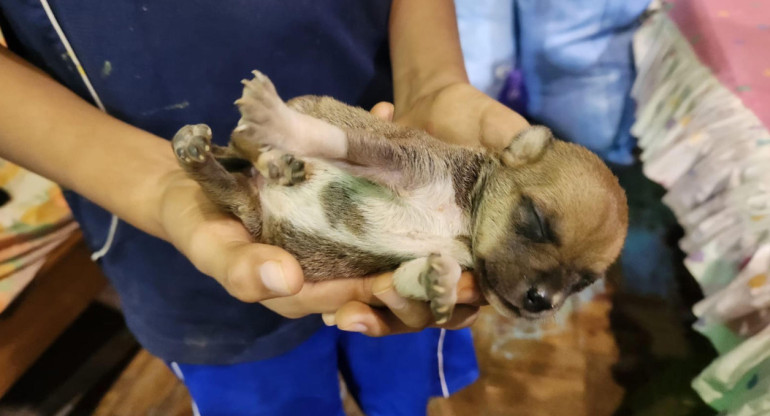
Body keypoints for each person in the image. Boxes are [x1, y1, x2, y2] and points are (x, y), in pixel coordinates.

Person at [0, 1, 528, 414]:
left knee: (399, 367)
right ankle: (230, 165)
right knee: (272, 390)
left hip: (385, 118)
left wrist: (432, 78)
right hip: (169, 246)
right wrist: (159, 188)